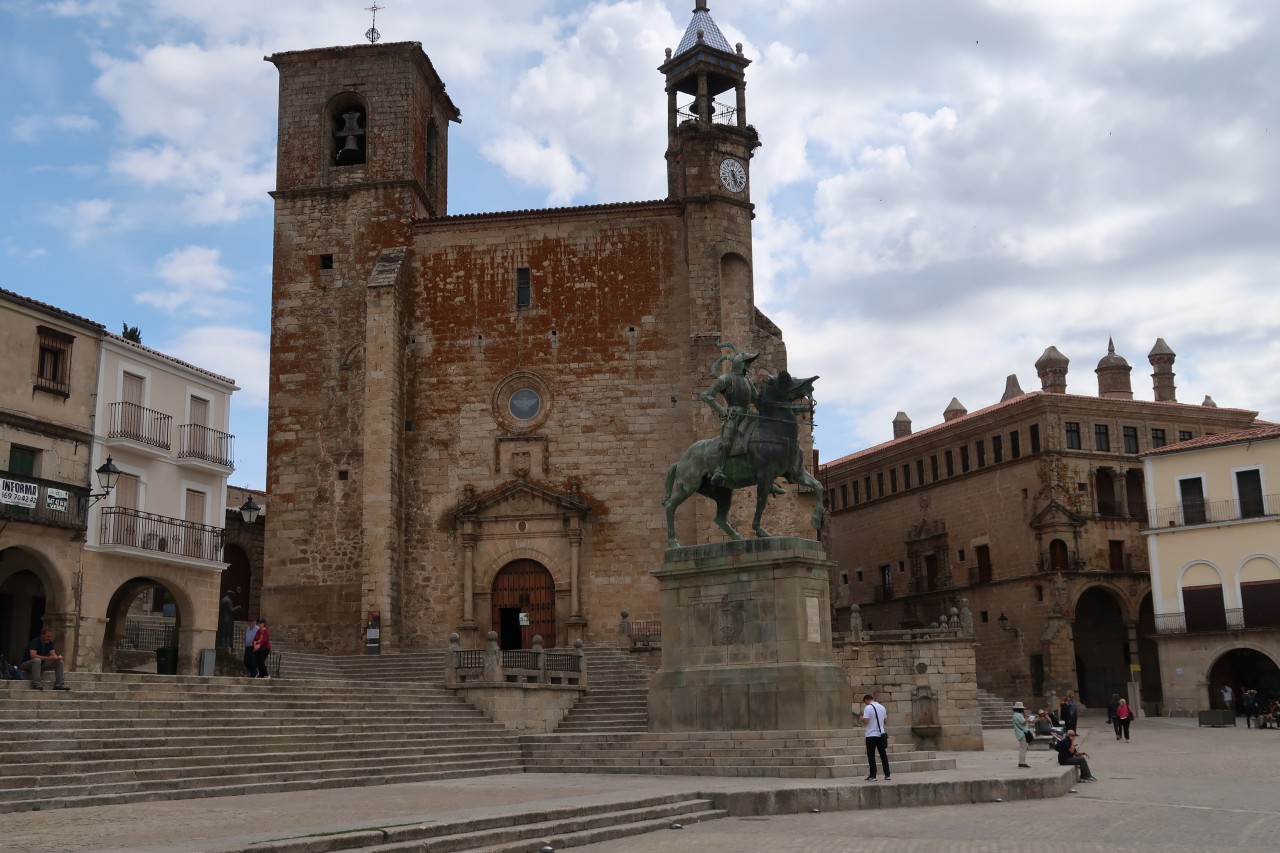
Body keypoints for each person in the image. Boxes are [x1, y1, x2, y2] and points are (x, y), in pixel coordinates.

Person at [699, 344, 760, 486]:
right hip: (733, 416)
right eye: (747, 364)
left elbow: (758, 401)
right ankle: (719, 470)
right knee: (726, 441)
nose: (749, 367)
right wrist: (722, 410)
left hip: (748, 417)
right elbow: (706, 395)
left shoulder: (748, 381)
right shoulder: (726, 379)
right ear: (741, 364)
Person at [861, 693, 890, 781]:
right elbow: (885, 722)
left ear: (866, 700)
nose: (865, 704)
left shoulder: (868, 707)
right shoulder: (882, 707)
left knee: (871, 755)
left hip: (871, 735)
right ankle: (887, 774)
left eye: (865, 702)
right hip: (881, 734)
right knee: (883, 755)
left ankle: (873, 775)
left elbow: (866, 721)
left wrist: (861, 718)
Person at [1012, 701, 1032, 768]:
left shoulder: (1015, 715)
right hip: (1022, 734)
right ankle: (1022, 763)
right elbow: (1023, 723)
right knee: (1023, 748)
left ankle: (1022, 762)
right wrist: (1026, 717)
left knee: (1023, 748)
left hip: (1019, 733)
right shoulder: (1018, 715)